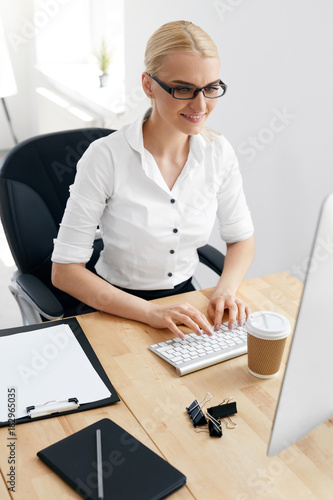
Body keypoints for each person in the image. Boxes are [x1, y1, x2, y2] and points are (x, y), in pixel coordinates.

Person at [51, 20, 255, 339]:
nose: (201, 106)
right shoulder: (105, 156)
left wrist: (225, 290)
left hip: (185, 302)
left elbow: (241, 237)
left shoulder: (219, 153)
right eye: (183, 88)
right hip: (115, 306)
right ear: (148, 85)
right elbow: (65, 272)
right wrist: (150, 312)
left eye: (211, 88)